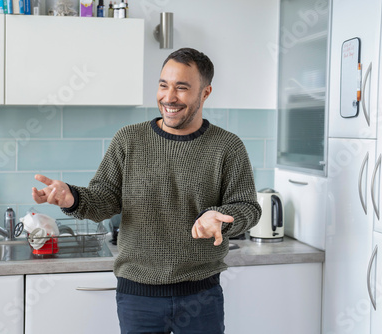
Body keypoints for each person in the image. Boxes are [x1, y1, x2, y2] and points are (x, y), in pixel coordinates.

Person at [31, 47, 261, 334]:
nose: (169, 97)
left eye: (182, 88)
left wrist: (222, 217)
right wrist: (73, 197)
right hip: (137, 296)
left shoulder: (227, 146)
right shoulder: (128, 140)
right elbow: (103, 199)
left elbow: (248, 207)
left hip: (201, 296)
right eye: (163, 85)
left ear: (205, 93)